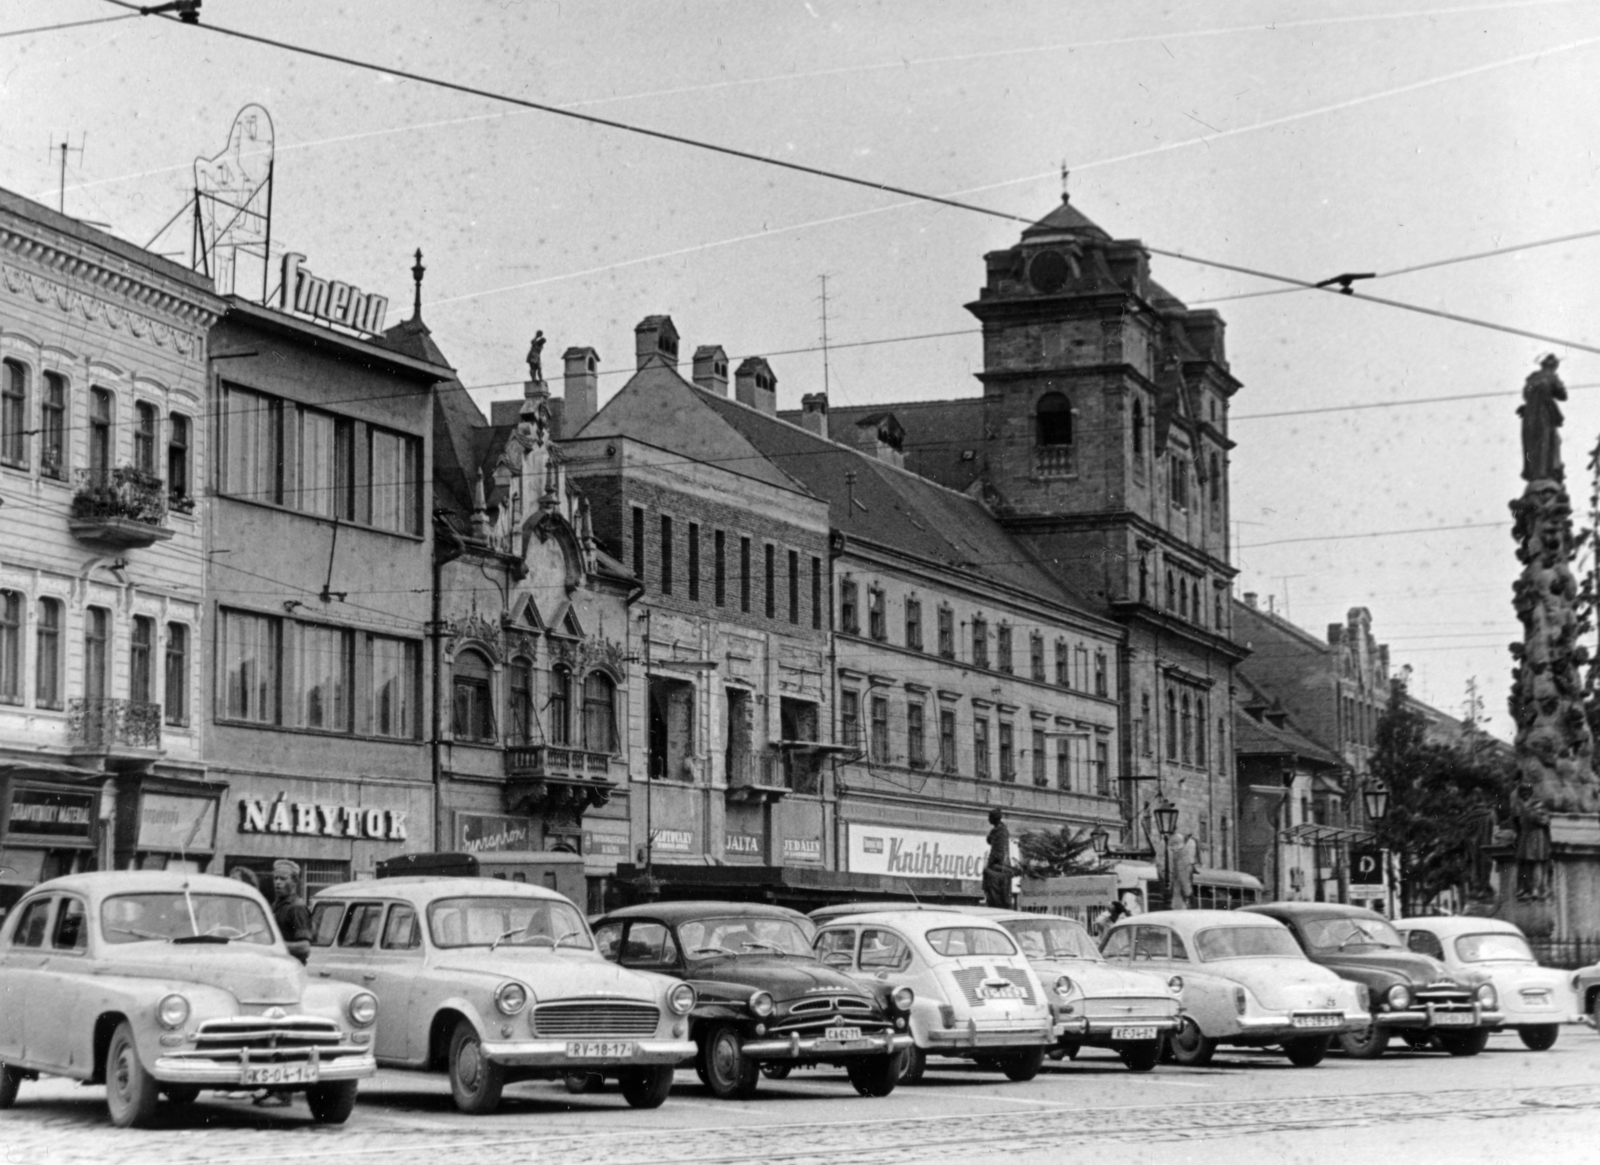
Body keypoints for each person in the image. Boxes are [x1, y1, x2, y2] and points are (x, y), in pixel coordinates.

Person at [270, 859, 313, 963]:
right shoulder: (275, 905)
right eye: (276, 878)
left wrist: (275, 946)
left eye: (283, 879)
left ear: (294, 881)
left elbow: (304, 947)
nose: (278, 882)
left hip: (291, 967)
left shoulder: (296, 907)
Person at [983, 808, 1017, 910]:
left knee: (987, 874)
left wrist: (990, 864)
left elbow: (996, 851)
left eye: (990, 817)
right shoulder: (1002, 830)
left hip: (999, 863)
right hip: (1003, 863)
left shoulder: (998, 831)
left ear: (993, 818)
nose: (988, 819)